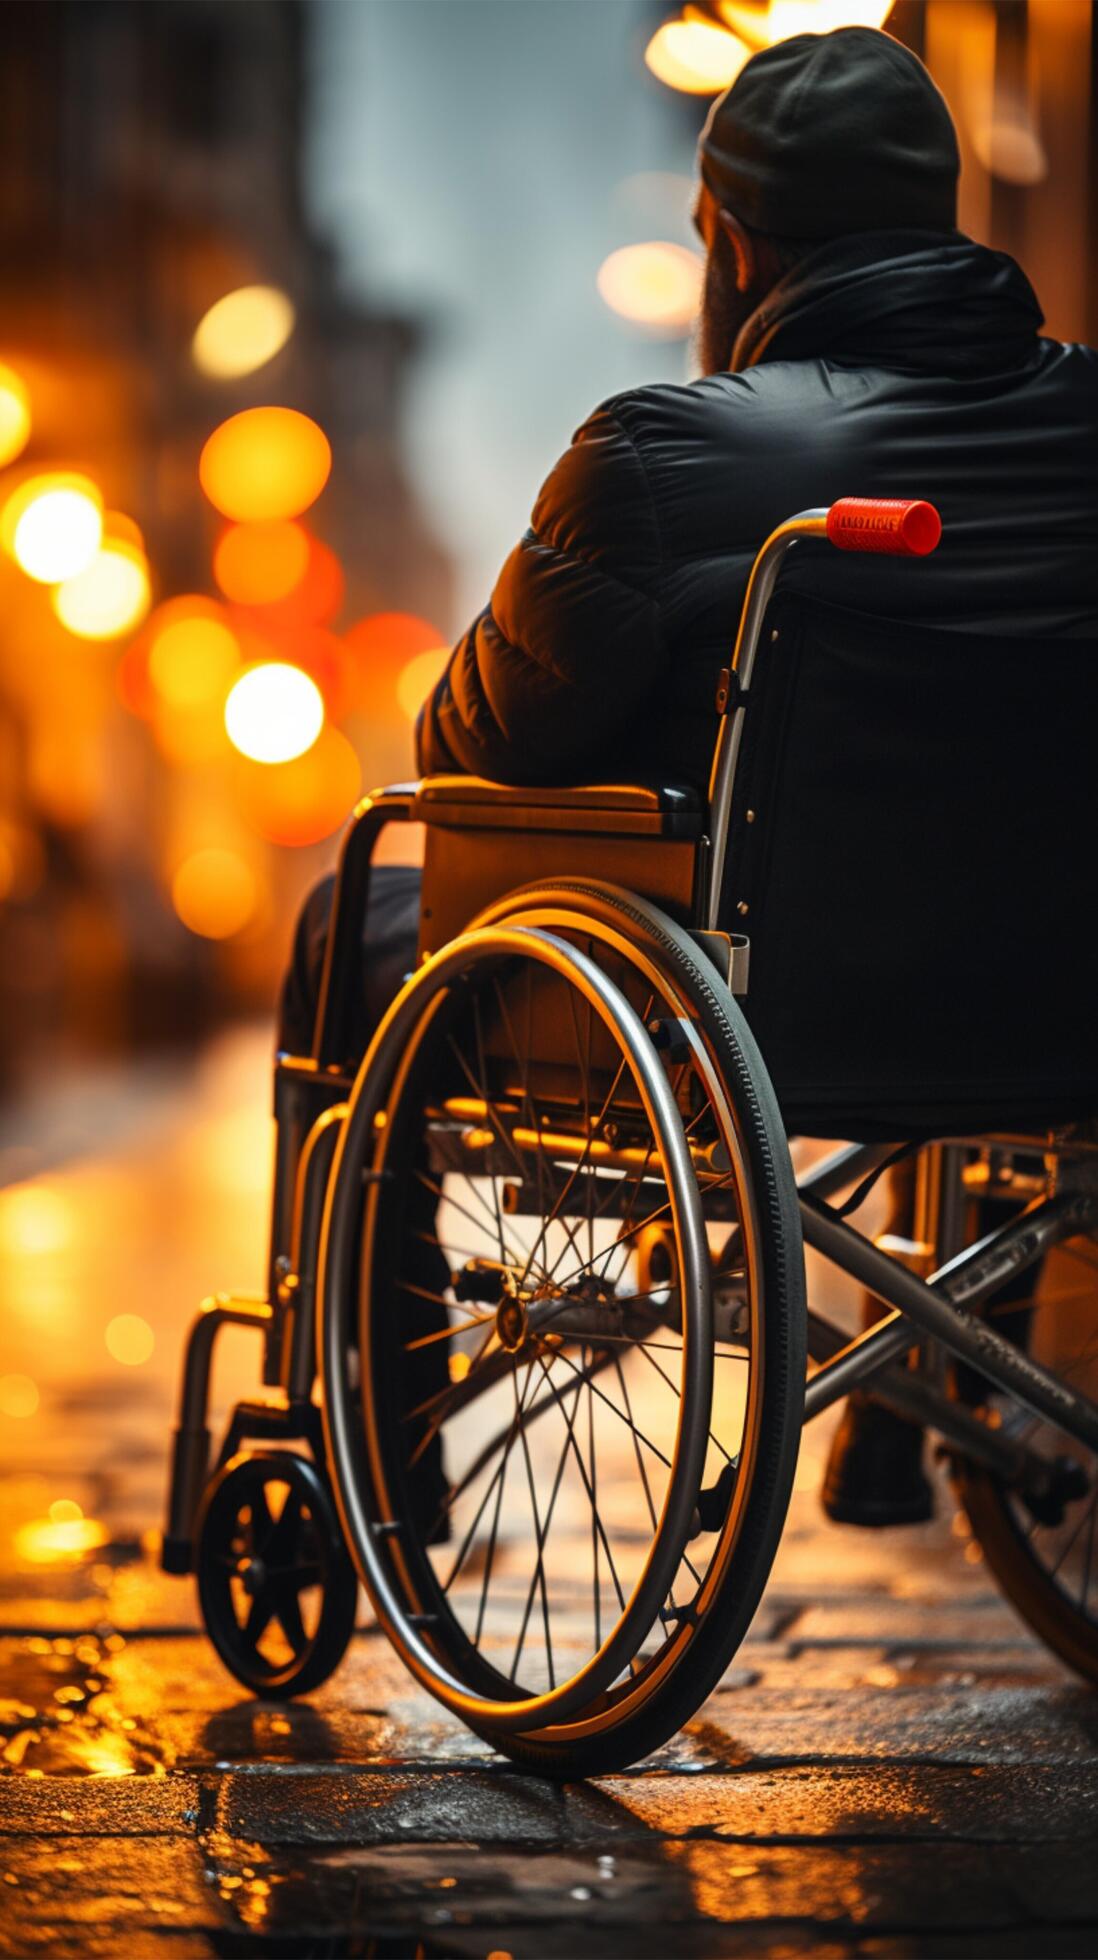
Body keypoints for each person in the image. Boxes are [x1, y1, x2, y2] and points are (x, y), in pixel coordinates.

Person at [279, 24, 1098, 1526]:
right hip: (1055, 1003)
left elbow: (475, 757)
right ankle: (949, 1385)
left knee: (358, 918)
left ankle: (372, 1458)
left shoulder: (663, 455)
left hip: (759, 1010)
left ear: (725, 237)